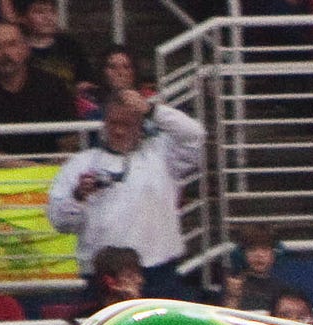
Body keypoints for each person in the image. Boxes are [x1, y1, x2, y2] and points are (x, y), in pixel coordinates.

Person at [44, 88, 202, 303]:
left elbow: (195, 135)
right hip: (103, 277)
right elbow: (59, 221)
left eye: (126, 124)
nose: (118, 131)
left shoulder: (162, 155)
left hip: (158, 272)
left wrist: (152, 109)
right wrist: (78, 196)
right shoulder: (81, 163)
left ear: (141, 125)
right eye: (113, 123)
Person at [0, 20, 80, 156]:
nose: (5, 53)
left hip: (49, 169)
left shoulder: (53, 85)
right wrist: (29, 169)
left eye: (12, 44)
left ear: (26, 49)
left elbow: (70, 142)